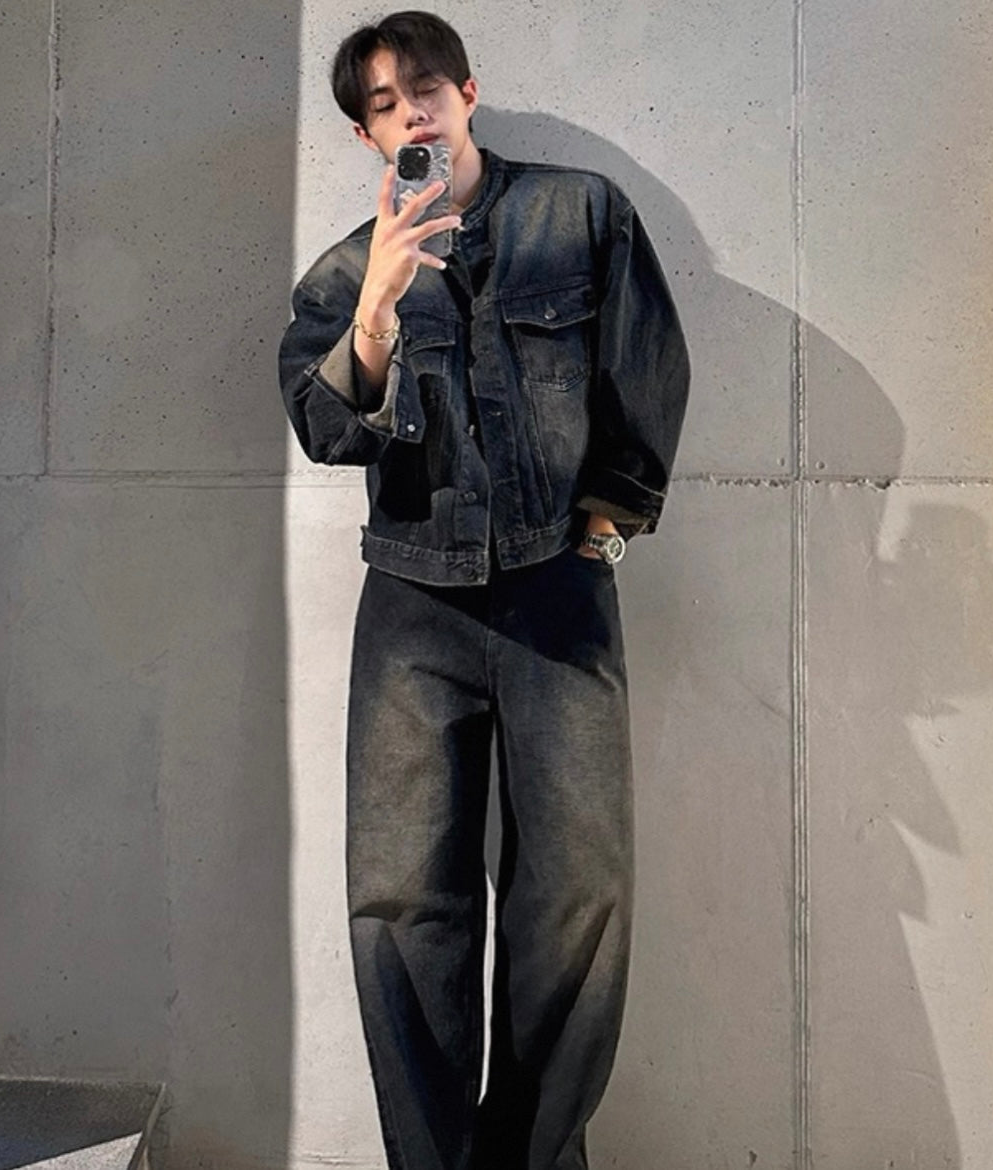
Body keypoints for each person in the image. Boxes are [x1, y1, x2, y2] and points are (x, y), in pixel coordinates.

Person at [278, 12, 690, 1169]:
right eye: (382, 102)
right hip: (414, 608)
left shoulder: (579, 214)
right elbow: (322, 428)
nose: (409, 108)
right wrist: (378, 303)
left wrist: (605, 527)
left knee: (581, 896)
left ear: (467, 91)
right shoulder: (345, 272)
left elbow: (647, 366)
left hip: (559, 588)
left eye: (424, 85)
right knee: (404, 903)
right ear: (366, 137)